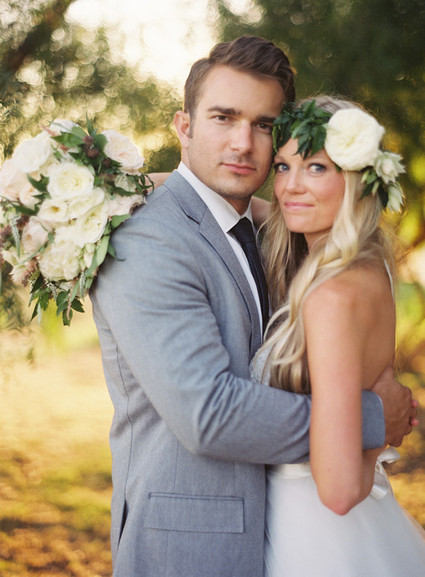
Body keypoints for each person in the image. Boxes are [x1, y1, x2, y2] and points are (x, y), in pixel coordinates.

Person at [90, 37, 415, 577]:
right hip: (190, 548)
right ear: (183, 126)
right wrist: (369, 417)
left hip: (295, 537)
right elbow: (210, 415)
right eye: (223, 117)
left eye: (263, 125)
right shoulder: (148, 239)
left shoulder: (276, 235)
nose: (243, 144)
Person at [250, 95, 425, 576]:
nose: (290, 187)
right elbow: (259, 209)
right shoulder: (370, 264)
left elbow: (342, 489)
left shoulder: (330, 296)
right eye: (283, 167)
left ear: (357, 178)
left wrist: (373, 439)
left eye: (316, 168)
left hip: (318, 543)